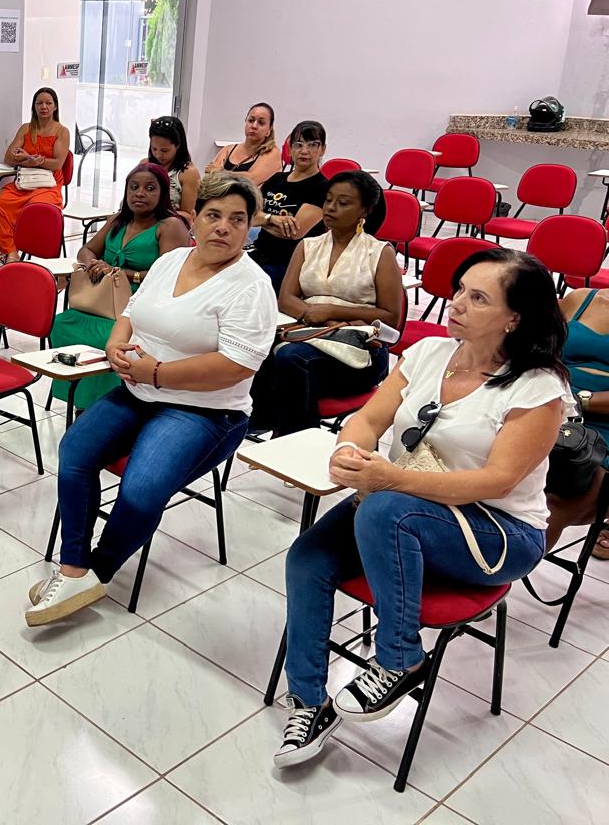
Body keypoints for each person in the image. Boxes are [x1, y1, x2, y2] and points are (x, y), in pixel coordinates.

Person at [274, 247, 568, 768]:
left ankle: (400, 657)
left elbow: (498, 481)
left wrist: (389, 478)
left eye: (478, 298)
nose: (457, 303)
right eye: (459, 290)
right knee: (308, 558)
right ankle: (308, 701)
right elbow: (369, 419)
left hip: (499, 531)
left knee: (384, 510)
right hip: (406, 507)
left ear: (514, 319)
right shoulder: (430, 352)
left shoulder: (537, 387)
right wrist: (350, 449)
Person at [27, 171, 277, 626]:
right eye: (214, 215)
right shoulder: (171, 261)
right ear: (194, 219)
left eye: (237, 219)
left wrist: (158, 373)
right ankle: (74, 568)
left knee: (141, 492)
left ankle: (96, 571)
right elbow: (130, 312)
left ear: (249, 227)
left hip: (206, 411)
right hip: (139, 391)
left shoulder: (251, 285)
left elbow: (237, 366)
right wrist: (114, 344)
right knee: (75, 452)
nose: (223, 227)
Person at [250, 170, 403, 435]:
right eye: (328, 200)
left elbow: (390, 316)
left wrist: (332, 312)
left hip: (361, 348)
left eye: (343, 203)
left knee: (290, 358)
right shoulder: (308, 246)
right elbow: (286, 299)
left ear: (364, 211)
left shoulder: (380, 252)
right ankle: (258, 424)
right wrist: (317, 316)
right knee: (256, 347)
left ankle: (295, 441)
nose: (330, 208)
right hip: (308, 333)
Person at [48, 162, 192, 413]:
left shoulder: (170, 225)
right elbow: (87, 249)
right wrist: (93, 264)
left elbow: (168, 276)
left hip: (140, 303)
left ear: (163, 193)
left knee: (106, 336)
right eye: (133, 187)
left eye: (150, 188)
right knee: (62, 322)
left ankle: (104, 406)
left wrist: (119, 272)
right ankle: (80, 401)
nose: (140, 193)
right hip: (103, 300)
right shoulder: (118, 220)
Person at [545, 287, 609, 558]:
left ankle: (496, 572)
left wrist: (577, 401)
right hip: (550, 404)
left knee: (558, 497)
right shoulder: (580, 299)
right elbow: (540, 351)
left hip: (601, 429)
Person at [248, 120, 330, 292]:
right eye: (298, 144)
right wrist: (273, 219)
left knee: (249, 288)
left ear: (322, 149)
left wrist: (262, 219)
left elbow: (294, 232)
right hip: (259, 252)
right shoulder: (276, 179)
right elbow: (249, 215)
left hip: (290, 264)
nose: (304, 151)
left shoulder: (322, 187)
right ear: (291, 149)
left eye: (313, 145)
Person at [0, 88, 70, 263]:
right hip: (25, 181)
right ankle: (10, 253)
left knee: (34, 206)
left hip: (49, 184)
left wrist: (29, 159)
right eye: (39, 103)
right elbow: (8, 158)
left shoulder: (62, 131)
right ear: (34, 106)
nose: (44, 107)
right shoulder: (26, 128)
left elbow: (57, 164)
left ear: (55, 106)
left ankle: (38, 252)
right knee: (2, 202)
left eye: (48, 103)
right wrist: (29, 160)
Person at [205, 102, 281, 187]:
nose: (254, 126)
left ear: (269, 130)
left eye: (261, 122)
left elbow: (251, 180)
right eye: (251, 120)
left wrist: (222, 173)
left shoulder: (271, 152)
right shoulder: (228, 149)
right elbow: (210, 174)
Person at [148, 115, 200, 221]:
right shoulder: (145, 165)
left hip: (170, 226)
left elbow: (188, 215)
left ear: (178, 145)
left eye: (164, 150)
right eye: (154, 149)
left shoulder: (188, 173)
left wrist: (157, 214)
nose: (158, 155)